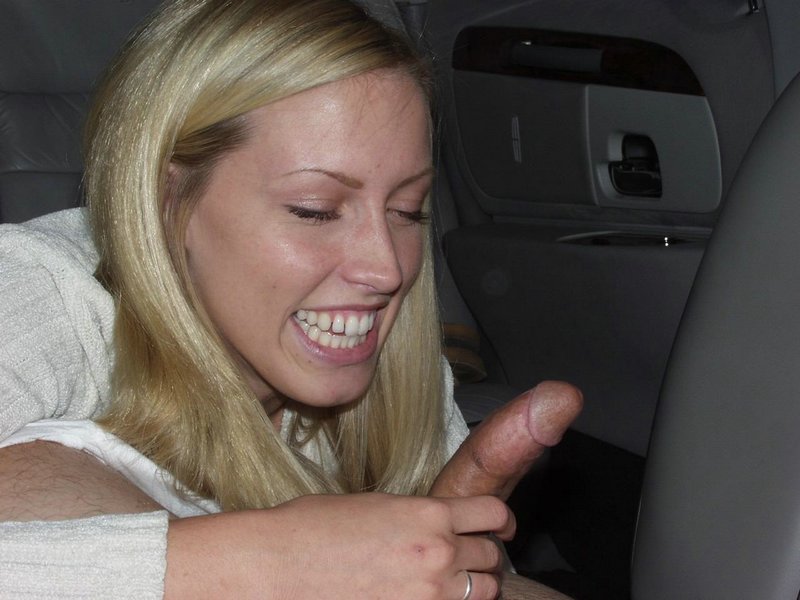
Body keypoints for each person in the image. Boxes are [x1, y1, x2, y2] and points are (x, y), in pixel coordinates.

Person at [0, 0, 582, 598]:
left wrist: (461, 564)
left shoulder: (404, 370)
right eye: (315, 210)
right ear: (167, 203)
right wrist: (268, 564)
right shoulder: (34, 291)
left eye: (407, 211)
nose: (386, 270)